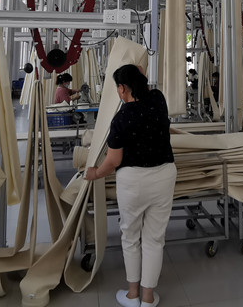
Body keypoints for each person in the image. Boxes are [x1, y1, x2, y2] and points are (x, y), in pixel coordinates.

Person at [85, 65, 176, 307]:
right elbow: (141, 75)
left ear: (122, 88)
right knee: (154, 239)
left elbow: (113, 161)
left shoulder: (121, 118)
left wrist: (95, 173)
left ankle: (132, 295)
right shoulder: (158, 99)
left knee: (131, 237)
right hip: (164, 175)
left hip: (133, 182)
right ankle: (148, 298)